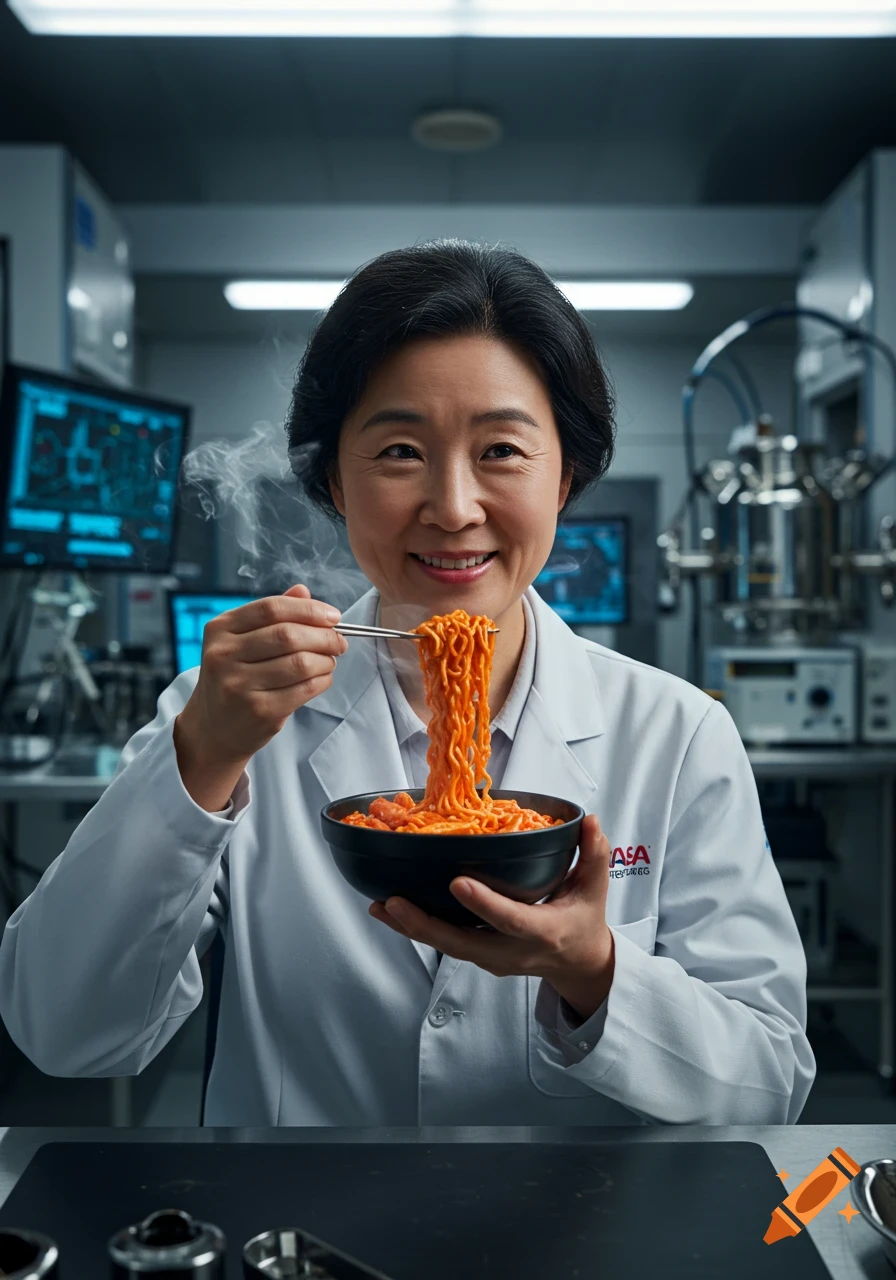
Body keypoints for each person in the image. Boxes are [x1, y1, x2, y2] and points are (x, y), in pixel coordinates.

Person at [0, 240, 815, 1126]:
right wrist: (199, 758)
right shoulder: (228, 717)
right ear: (335, 483)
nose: (454, 507)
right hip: (301, 1240)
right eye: (398, 451)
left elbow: (769, 1078)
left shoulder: (676, 731)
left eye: (501, 449)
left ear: (565, 478)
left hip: (584, 1242)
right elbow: (65, 1031)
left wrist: (594, 969)